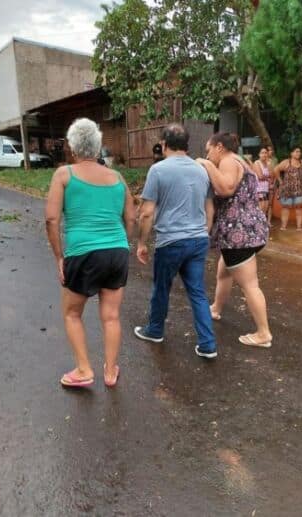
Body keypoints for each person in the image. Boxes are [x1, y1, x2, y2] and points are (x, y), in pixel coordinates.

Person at [45, 118, 136, 388]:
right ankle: (110, 372)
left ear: (73, 147)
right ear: (97, 148)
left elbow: (51, 219)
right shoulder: (118, 178)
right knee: (111, 316)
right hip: (117, 251)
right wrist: (123, 244)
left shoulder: (64, 175)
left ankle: (84, 370)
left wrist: (60, 257)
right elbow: (131, 218)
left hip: (82, 253)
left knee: (72, 313)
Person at [134, 123, 218, 359]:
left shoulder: (158, 170)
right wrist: (203, 234)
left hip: (171, 242)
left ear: (164, 144)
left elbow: (147, 212)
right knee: (197, 292)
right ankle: (208, 344)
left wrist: (142, 243)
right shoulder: (201, 170)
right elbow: (209, 209)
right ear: (186, 144)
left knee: (162, 288)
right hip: (198, 240)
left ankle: (155, 330)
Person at [197, 132, 272, 348]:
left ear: (219, 147)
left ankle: (263, 333)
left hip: (238, 235)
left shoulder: (228, 161)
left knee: (250, 285)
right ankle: (216, 308)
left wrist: (206, 165)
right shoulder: (242, 160)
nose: (208, 156)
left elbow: (226, 188)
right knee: (224, 272)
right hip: (251, 229)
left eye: (209, 151)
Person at [274, 147, 302, 231]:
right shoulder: (286, 162)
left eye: (299, 152)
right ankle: (283, 226)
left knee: (299, 207)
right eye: (296, 151)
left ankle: (299, 226)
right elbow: (276, 169)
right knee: (286, 207)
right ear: (291, 153)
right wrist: (280, 181)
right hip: (287, 189)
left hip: (299, 189)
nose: (298, 153)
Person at [252, 147, 273, 215]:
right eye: (262, 153)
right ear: (259, 154)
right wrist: (267, 178)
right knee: (261, 208)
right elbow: (260, 176)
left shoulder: (268, 164)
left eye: (265, 153)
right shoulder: (257, 163)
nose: (264, 154)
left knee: (265, 208)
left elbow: (271, 175)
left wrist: (269, 165)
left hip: (265, 189)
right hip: (258, 189)